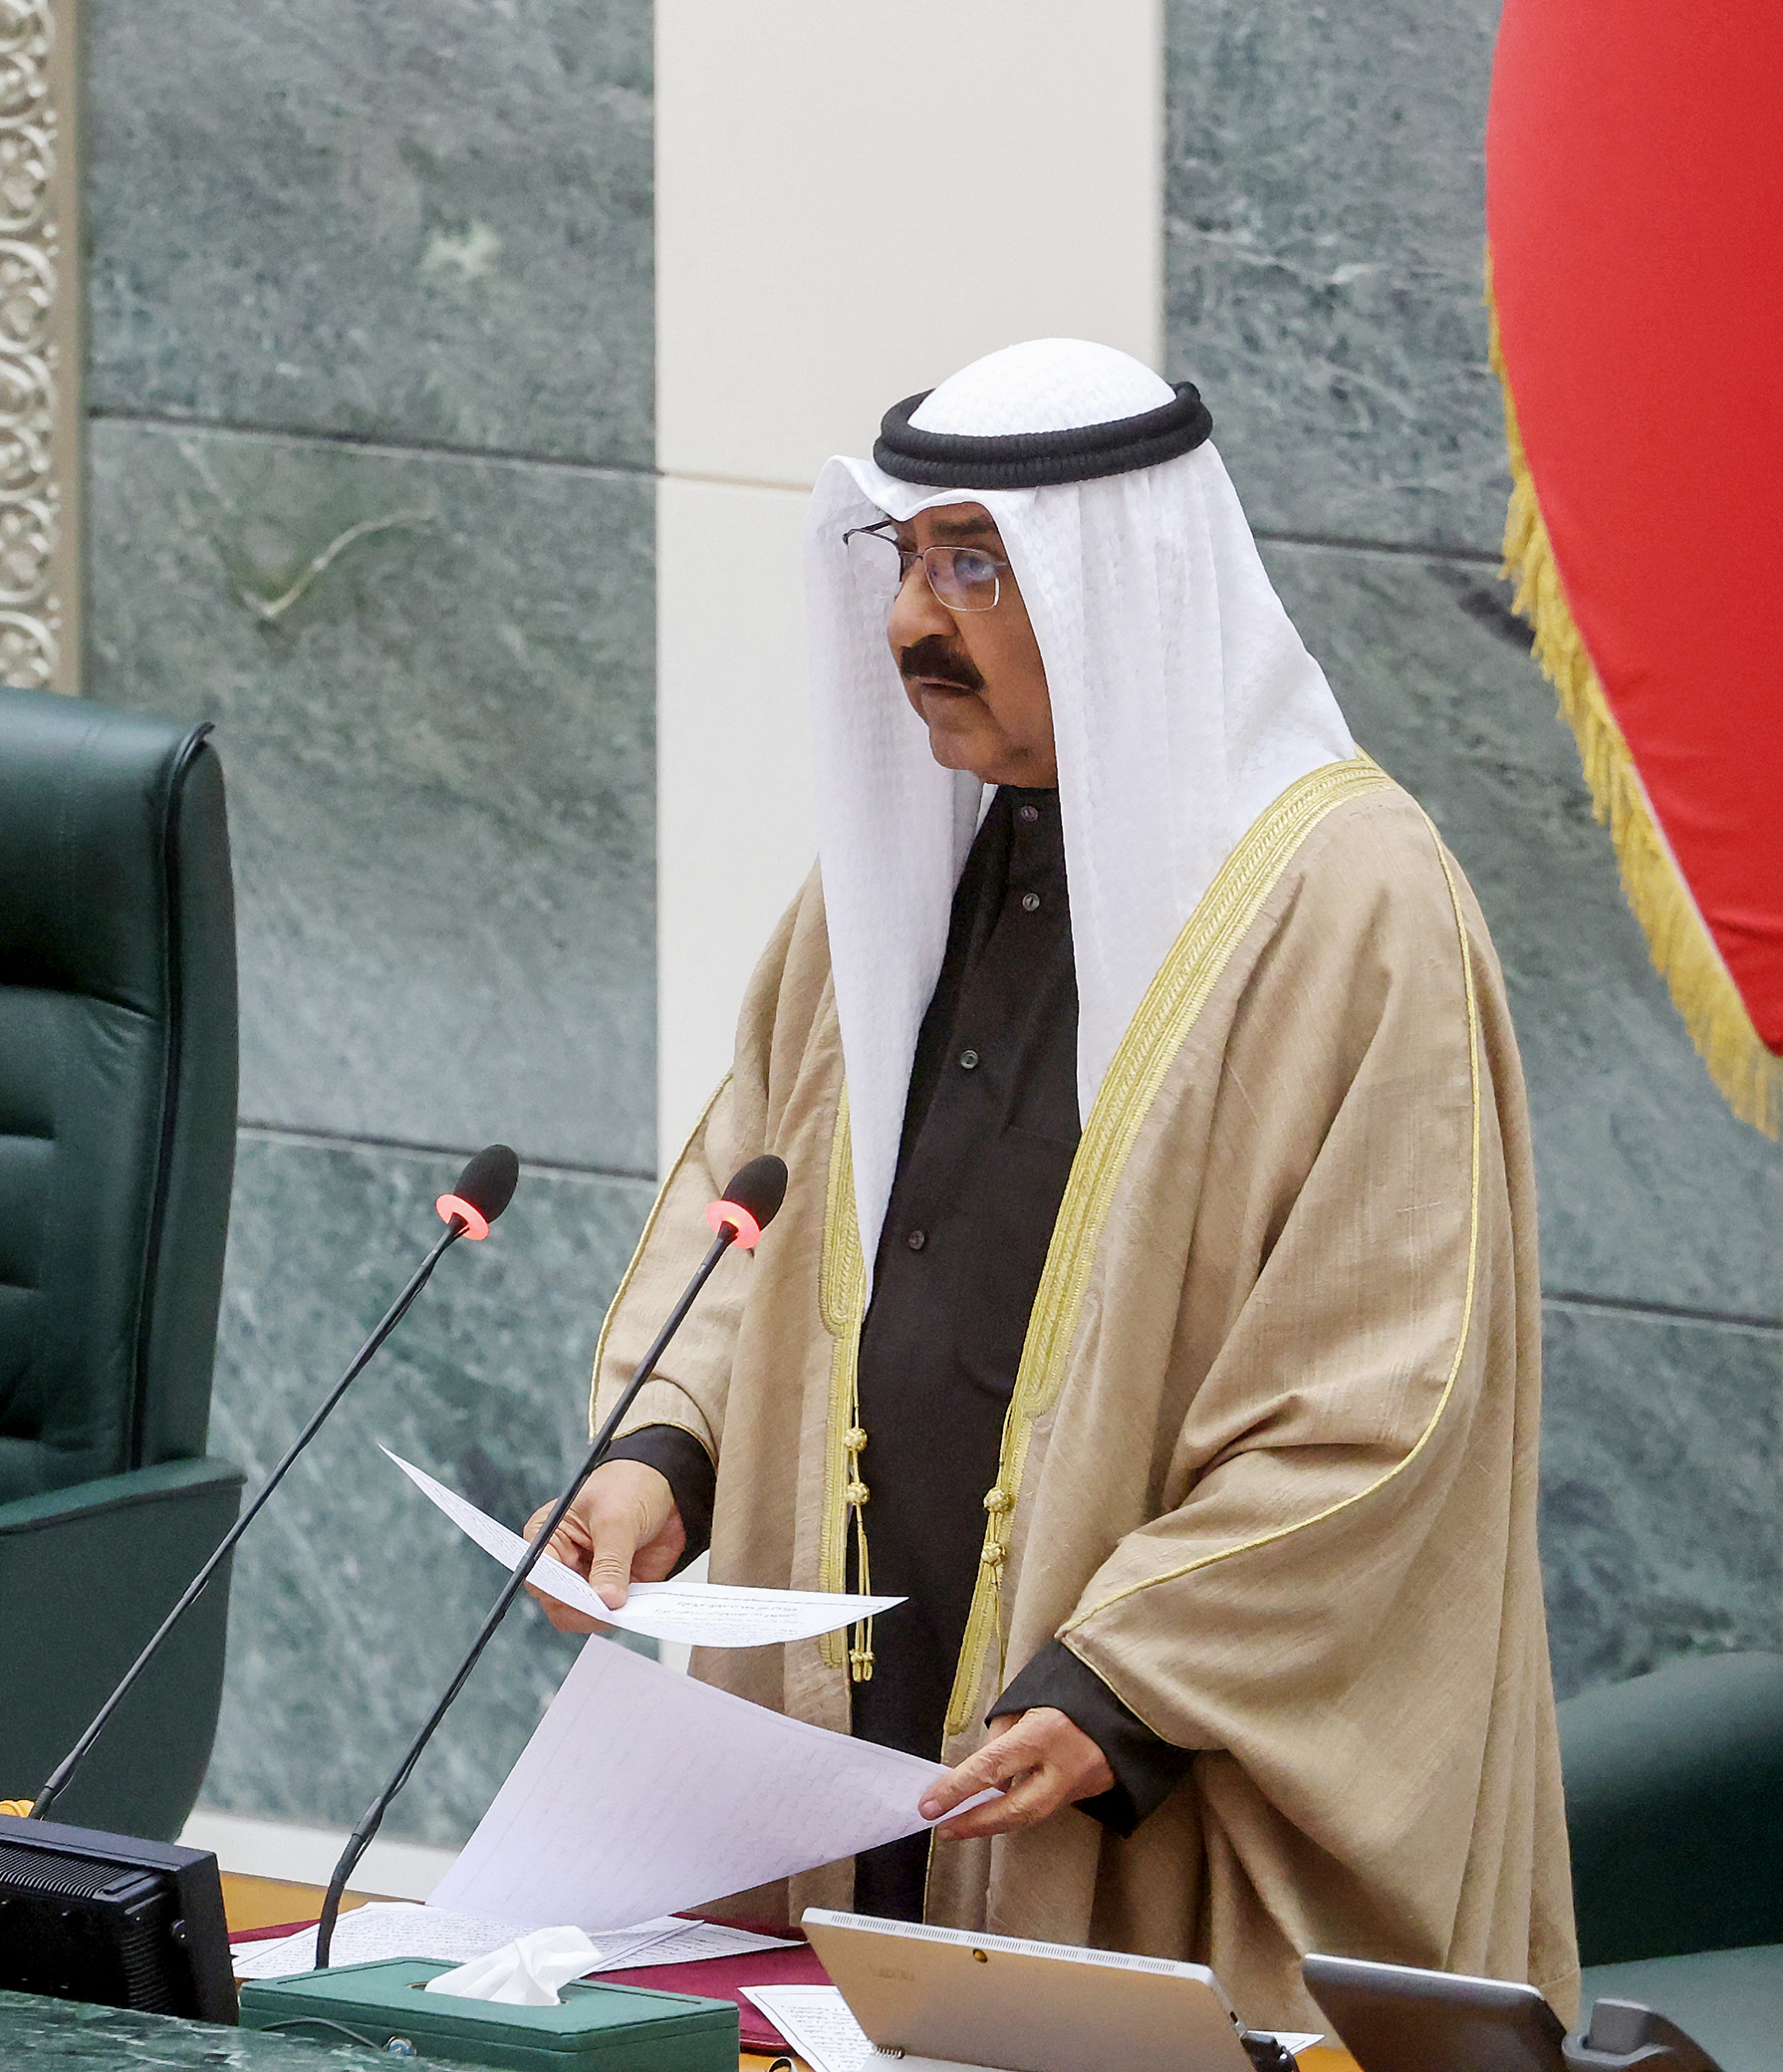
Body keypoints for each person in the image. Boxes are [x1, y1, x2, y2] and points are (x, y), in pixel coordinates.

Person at [538, 340, 1574, 2025]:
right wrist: (666, 1449)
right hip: (853, 1722)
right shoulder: (897, 870)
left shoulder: (1346, 906)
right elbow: (754, 1207)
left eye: (975, 566)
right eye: (906, 561)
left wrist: (1124, 1683)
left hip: (1130, 1757)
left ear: (1121, 590)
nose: (908, 625)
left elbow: (1387, 1402)